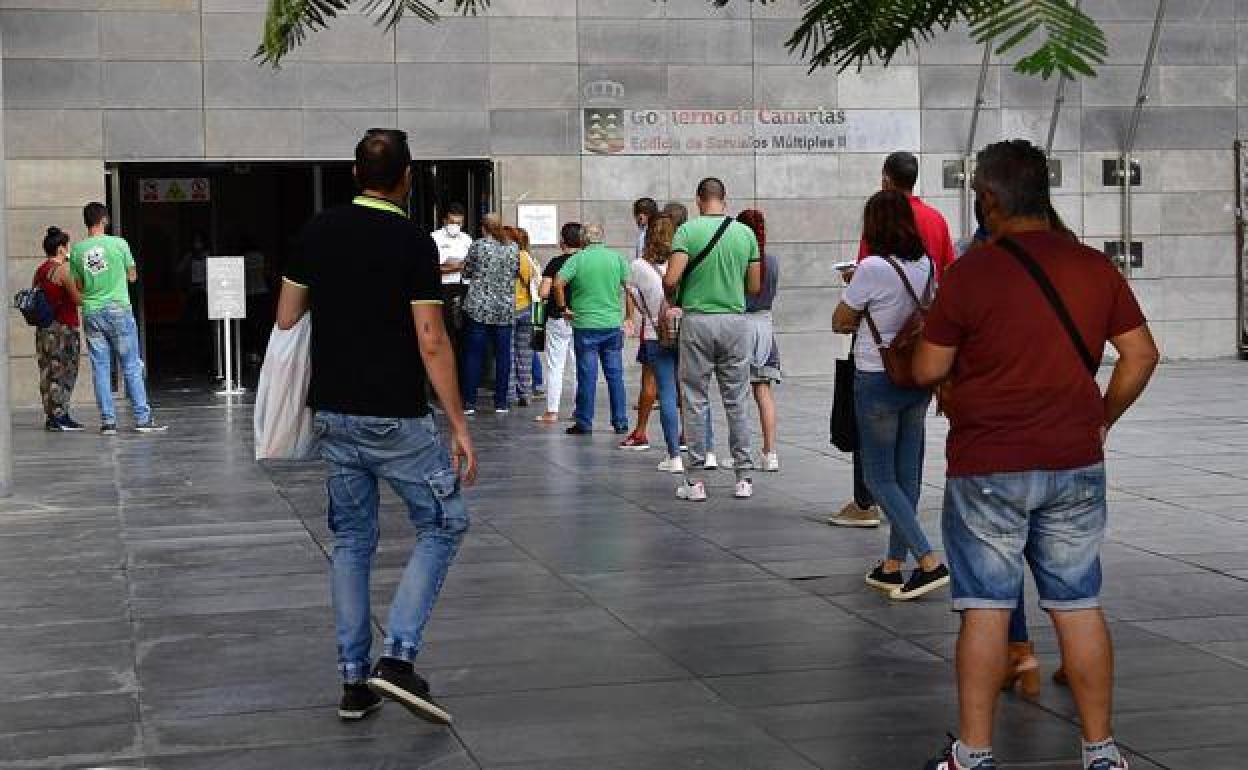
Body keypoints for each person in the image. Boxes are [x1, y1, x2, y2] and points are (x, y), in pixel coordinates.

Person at [914, 139, 1158, 770]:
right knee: (1078, 602)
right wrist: (1100, 417)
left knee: (987, 608)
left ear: (990, 199)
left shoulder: (971, 272)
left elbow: (927, 368)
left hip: (988, 465)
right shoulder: (1092, 266)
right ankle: (1102, 753)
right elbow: (1141, 354)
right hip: (1076, 460)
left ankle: (973, 755)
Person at [276, 128, 477, 727]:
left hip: (334, 415)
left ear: (355, 173)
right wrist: (460, 424)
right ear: (406, 178)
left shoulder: (316, 232)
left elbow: (289, 316)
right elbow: (431, 337)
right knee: (445, 522)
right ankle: (398, 657)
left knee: (353, 543)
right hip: (397, 417)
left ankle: (353, 681)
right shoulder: (412, 242)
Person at [832, 190, 949, 602]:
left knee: (877, 477)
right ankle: (893, 566)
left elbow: (840, 321)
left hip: (877, 377)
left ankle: (929, 560)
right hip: (917, 376)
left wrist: (856, 290)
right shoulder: (929, 264)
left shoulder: (872, 268)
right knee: (907, 476)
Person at [663, 178, 761, 502]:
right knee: (737, 399)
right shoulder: (745, 234)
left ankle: (695, 481)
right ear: (724, 199)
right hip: (735, 322)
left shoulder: (687, 232)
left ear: (698, 200)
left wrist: (675, 293)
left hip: (698, 322)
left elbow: (672, 278)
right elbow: (755, 286)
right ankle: (744, 476)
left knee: (694, 398)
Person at [70, 202, 167, 434]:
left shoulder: (78, 250)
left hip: (92, 312)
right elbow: (132, 276)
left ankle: (108, 421)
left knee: (101, 368)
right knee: (131, 365)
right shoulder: (119, 244)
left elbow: (79, 285)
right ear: (104, 220)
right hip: (117, 309)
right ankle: (143, 419)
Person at [554, 223, 633, 436]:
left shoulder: (577, 259)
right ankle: (620, 421)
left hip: (585, 324)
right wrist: (629, 316)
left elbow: (558, 283)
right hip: (611, 324)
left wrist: (564, 308)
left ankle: (584, 422)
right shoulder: (616, 258)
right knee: (615, 376)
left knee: (587, 376)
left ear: (583, 240)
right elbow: (630, 288)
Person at [628, 214, 684, 472]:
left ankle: (673, 456)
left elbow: (634, 296)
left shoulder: (639, 266)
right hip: (685, 333)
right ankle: (705, 451)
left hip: (655, 334)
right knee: (694, 393)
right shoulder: (682, 261)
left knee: (665, 393)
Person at [460, 213, 519, 415]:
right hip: (504, 306)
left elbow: (466, 271)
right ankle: (501, 402)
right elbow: (514, 272)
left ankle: (469, 402)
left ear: (483, 227)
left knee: (473, 353)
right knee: (503, 355)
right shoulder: (513, 247)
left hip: (479, 306)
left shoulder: (479, 245)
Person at [737, 209, 781, 472]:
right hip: (765, 326)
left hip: (741, 325)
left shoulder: (742, 260)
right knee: (763, 391)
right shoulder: (772, 261)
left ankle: (741, 453)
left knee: (738, 393)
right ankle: (770, 451)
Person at [33, 226, 83, 432]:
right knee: (65, 371)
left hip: (44, 329)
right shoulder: (63, 270)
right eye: (67, 246)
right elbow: (77, 298)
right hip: (63, 328)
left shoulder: (40, 270)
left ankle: (52, 416)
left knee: (47, 372)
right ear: (61, 249)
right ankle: (60, 417)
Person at [535, 222, 582, 423]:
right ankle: (579, 410)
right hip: (582, 318)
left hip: (559, 318)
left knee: (555, 365)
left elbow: (544, 292)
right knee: (580, 365)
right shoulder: (585, 261)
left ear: (562, 241)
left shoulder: (555, 263)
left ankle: (552, 411)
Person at [432, 202, 474, 355]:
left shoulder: (467, 239)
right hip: (443, 289)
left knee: (463, 333)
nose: (455, 226)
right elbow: (432, 268)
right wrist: (457, 266)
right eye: (452, 222)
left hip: (464, 288)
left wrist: (450, 266)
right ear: (445, 221)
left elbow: (472, 265)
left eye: (459, 223)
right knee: (446, 331)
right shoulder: (434, 238)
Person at [508, 226, 541, 407]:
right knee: (526, 355)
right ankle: (525, 392)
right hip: (527, 308)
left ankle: (511, 393)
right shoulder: (529, 258)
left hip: (510, 308)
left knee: (509, 353)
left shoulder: (510, 257)